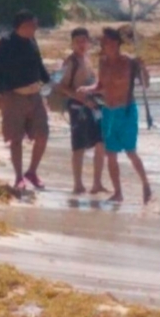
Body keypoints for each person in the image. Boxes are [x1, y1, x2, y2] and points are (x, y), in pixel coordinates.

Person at [79, 27, 152, 204]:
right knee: (110, 153)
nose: (105, 45)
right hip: (109, 111)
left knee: (130, 152)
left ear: (117, 44)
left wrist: (143, 69)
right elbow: (101, 86)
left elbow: (145, 84)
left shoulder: (129, 62)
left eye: (109, 42)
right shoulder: (103, 62)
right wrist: (86, 89)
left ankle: (146, 184)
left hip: (126, 111)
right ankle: (118, 192)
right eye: (104, 42)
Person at [0, 10, 50, 190]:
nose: (35, 28)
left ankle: (31, 171)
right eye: (33, 25)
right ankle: (18, 177)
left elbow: (39, 65)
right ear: (22, 26)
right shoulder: (5, 43)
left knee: (42, 135)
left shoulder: (32, 41)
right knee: (15, 139)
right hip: (13, 96)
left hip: (35, 95)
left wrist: (50, 82)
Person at [58, 28, 107, 195]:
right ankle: (77, 184)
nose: (81, 44)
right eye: (77, 41)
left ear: (89, 42)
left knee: (101, 143)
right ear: (72, 43)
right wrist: (78, 97)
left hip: (94, 106)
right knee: (79, 146)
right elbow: (61, 86)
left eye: (84, 41)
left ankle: (97, 183)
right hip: (77, 108)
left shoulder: (88, 59)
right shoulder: (70, 62)